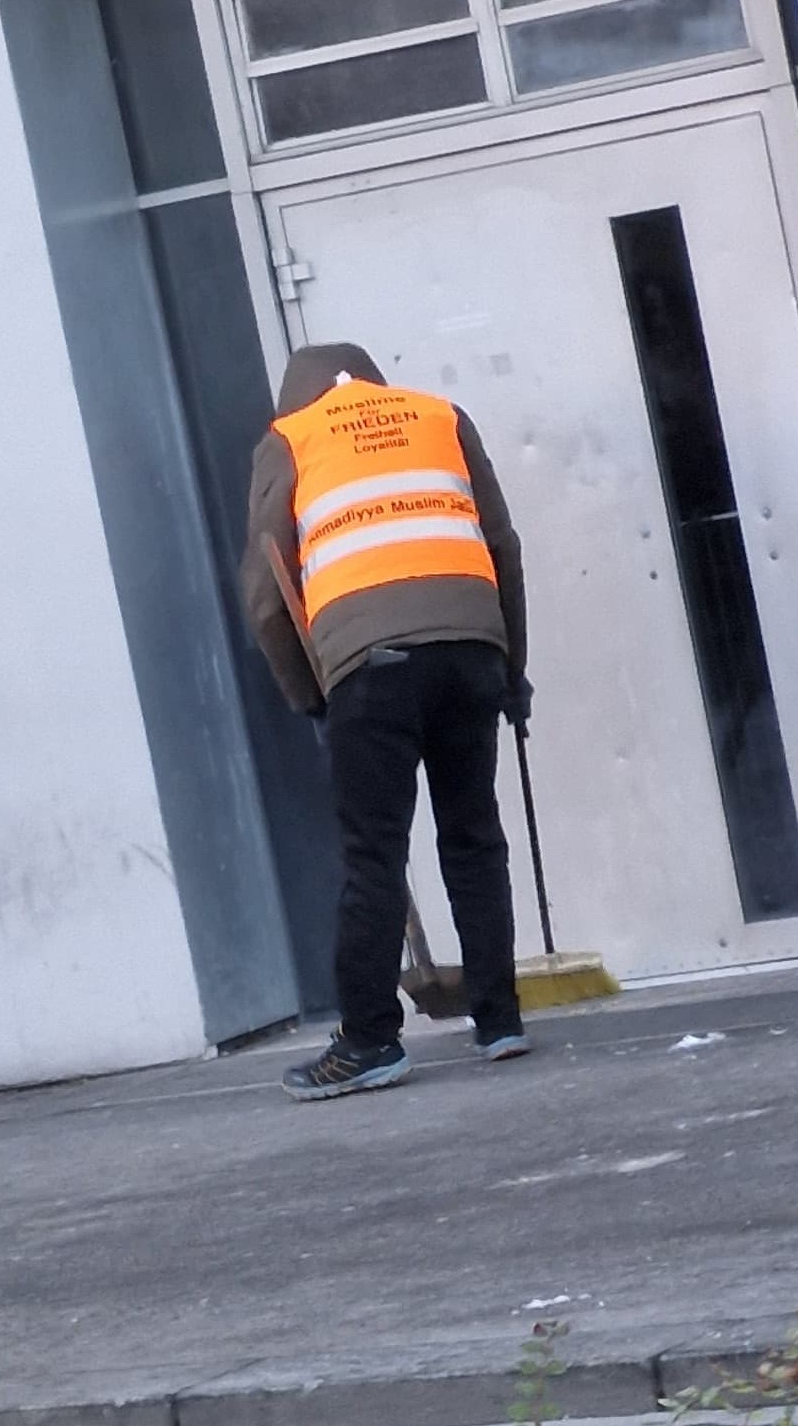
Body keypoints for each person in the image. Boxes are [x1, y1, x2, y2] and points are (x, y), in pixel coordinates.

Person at [240, 343, 532, 1101]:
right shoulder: (440, 416)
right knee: (472, 834)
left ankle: (369, 1041)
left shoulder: (290, 438)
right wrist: (512, 670)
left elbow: (268, 598)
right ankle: (499, 1021)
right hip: (471, 648)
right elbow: (500, 545)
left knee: (374, 854)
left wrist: (312, 697)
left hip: (371, 668)